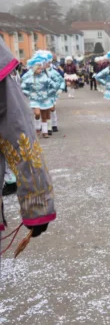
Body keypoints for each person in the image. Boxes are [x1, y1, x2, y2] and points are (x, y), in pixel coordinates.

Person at [0, 39, 55, 258]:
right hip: (33, 101)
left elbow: (16, 128)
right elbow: (17, 129)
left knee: (44, 115)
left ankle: (48, 127)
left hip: (43, 100)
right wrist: (37, 205)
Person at [20, 55, 59, 138]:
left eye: (41, 69)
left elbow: (54, 85)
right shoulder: (29, 78)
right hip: (34, 99)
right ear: (34, 69)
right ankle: (37, 128)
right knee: (37, 114)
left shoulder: (45, 77)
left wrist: (48, 93)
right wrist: (30, 93)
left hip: (44, 99)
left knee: (44, 116)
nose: (40, 70)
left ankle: (45, 132)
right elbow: (22, 87)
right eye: (38, 69)